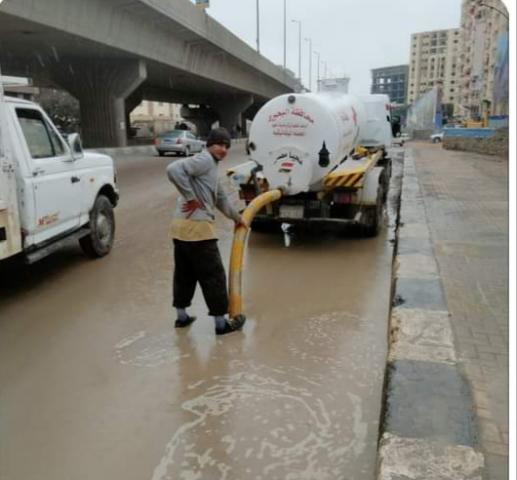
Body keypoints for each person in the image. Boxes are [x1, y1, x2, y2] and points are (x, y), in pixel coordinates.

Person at [167, 127, 247, 335]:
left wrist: (238, 218)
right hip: (198, 230)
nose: (223, 149)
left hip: (180, 229)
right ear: (209, 144)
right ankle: (221, 325)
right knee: (213, 276)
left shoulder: (211, 167)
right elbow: (173, 169)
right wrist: (191, 197)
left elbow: (220, 198)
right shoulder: (204, 160)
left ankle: (182, 317)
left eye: (227, 146)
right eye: (219, 144)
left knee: (184, 274)